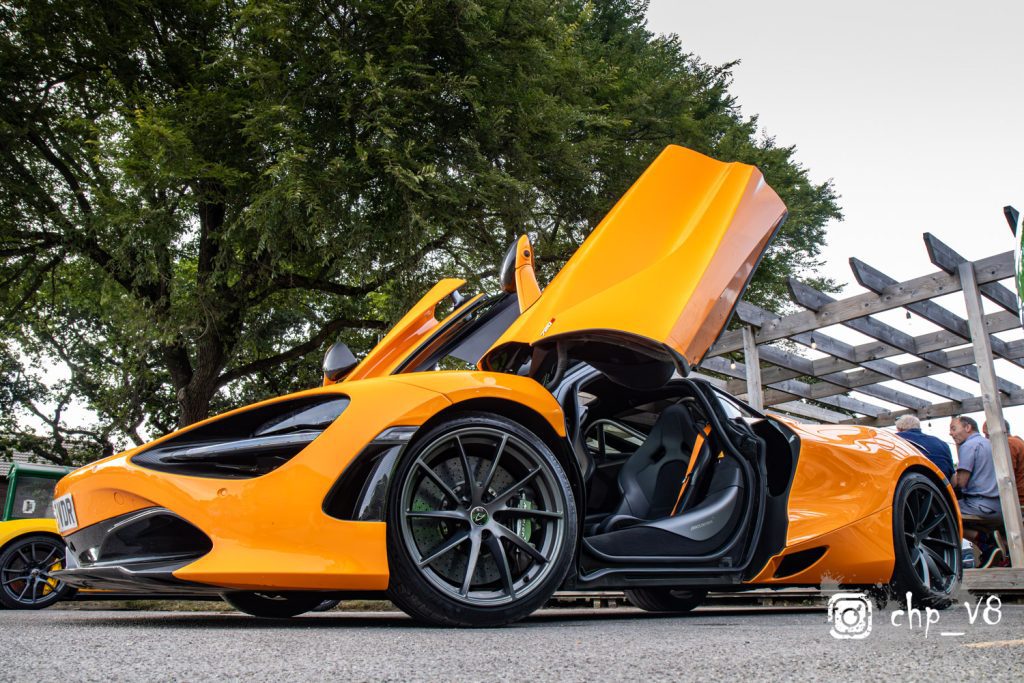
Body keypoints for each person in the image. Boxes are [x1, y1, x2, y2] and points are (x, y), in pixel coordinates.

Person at [949, 415, 1000, 517]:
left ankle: (975, 534)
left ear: (967, 428)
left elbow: (961, 482)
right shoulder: (990, 443)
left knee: (939, 510)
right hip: (999, 506)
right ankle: (978, 533)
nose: (950, 433)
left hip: (979, 506)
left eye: (953, 429)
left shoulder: (969, 445)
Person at [894, 415, 955, 480]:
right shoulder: (943, 444)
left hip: (909, 486)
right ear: (918, 427)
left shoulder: (895, 439)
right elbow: (953, 479)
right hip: (940, 488)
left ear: (899, 429)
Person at [982, 419, 1024, 504]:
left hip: (1018, 499)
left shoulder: (1008, 444)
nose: (986, 439)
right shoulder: (1018, 441)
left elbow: (1007, 473)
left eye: (987, 435)